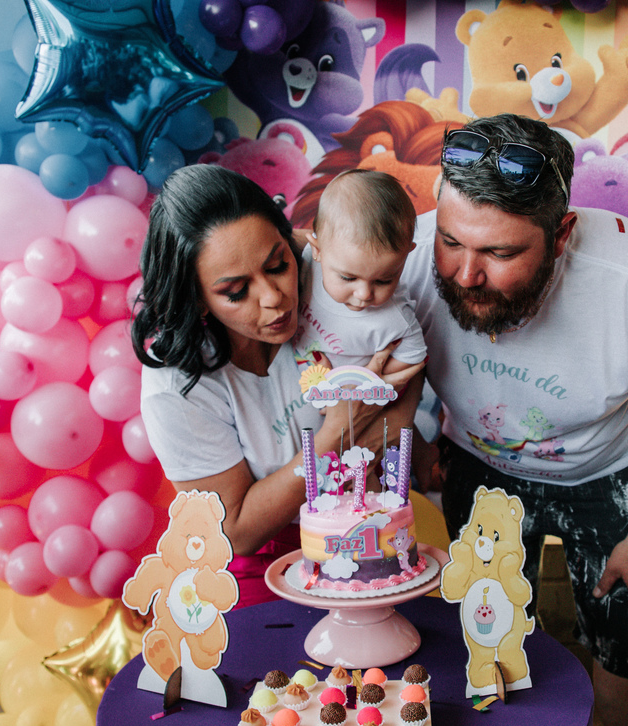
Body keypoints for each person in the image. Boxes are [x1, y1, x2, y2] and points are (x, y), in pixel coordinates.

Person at [404, 114, 628, 726]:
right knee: (485, 633)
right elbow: (388, 367)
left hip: (606, 474)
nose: (465, 273)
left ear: (562, 234)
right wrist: (426, 434)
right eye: (452, 241)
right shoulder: (414, 264)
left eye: (499, 253)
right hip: (481, 468)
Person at [130, 164, 420, 606]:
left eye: (277, 265)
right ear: (196, 297)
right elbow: (238, 531)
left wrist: (390, 428)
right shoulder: (177, 385)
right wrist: (336, 433)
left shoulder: (332, 271)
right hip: (251, 569)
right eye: (235, 291)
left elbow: (404, 350)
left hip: (363, 531)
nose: (274, 298)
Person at [293, 169, 426, 374]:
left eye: (384, 280)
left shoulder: (396, 319)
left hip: (355, 394)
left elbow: (414, 355)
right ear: (317, 250)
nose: (364, 294)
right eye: (348, 277)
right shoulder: (307, 263)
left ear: (406, 257)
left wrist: (365, 380)